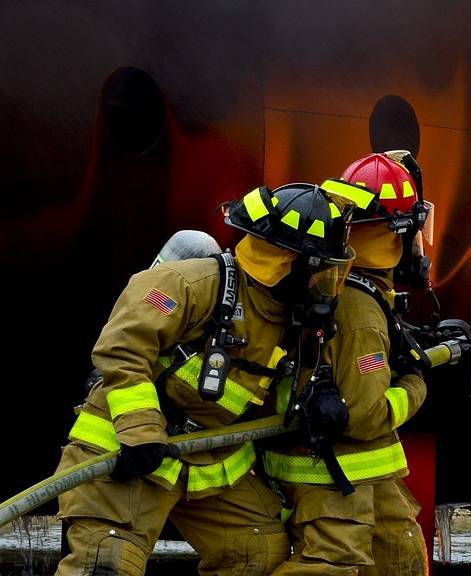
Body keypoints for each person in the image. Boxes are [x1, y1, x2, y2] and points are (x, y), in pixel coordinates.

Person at [55, 183, 357, 576]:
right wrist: (141, 431)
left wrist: (318, 396)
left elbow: (271, 391)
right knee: (107, 563)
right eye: (322, 271)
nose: (329, 284)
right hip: (127, 452)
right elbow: (122, 350)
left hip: (207, 463)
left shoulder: (291, 318)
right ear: (288, 261)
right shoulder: (188, 285)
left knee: (256, 554)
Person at [263, 152, 433, 576]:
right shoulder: (360, 312)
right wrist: (416, 383)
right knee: (331, 566)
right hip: (332, 472)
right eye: (418, 225)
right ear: (400, 229)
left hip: (361, 468)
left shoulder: (354, 282)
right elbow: (366, 414)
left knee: (400, 555)